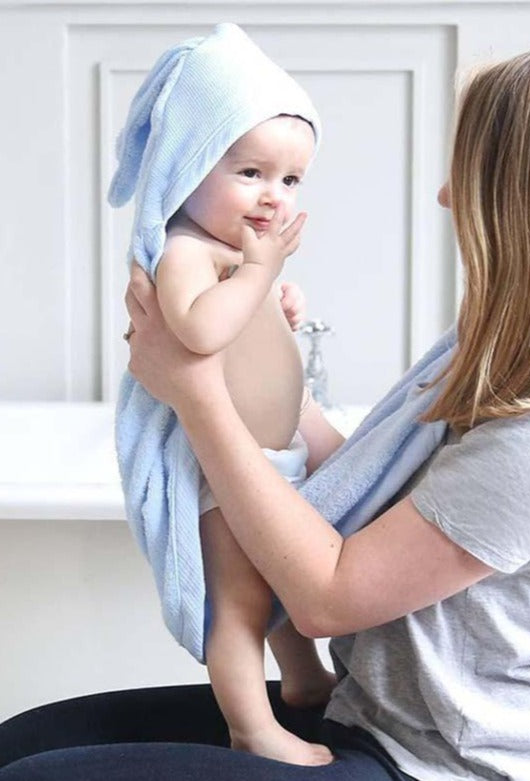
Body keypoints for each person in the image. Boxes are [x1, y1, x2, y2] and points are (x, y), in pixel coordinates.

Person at [1, 38, 530, 781]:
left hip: (451, 764)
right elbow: (365, 477)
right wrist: (263, 377)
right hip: (372, 712)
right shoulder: (495, 346)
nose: (446, 196)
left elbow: (327, 596)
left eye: (470, 170)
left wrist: (195, 391)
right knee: (19, 742)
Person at [108, 24, 342, 766]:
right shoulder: (184, 250)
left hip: (275, 456)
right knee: (239, 603)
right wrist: (256, 277)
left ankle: (303, 682)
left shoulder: (239, 256)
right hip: (224, 470)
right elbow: (200, 329)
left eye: (291, 181)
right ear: (188, 166)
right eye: (249, 172)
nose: (273, 197)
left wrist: (277, 295)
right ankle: (252, 724)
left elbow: (248, 325)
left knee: (283, 583)